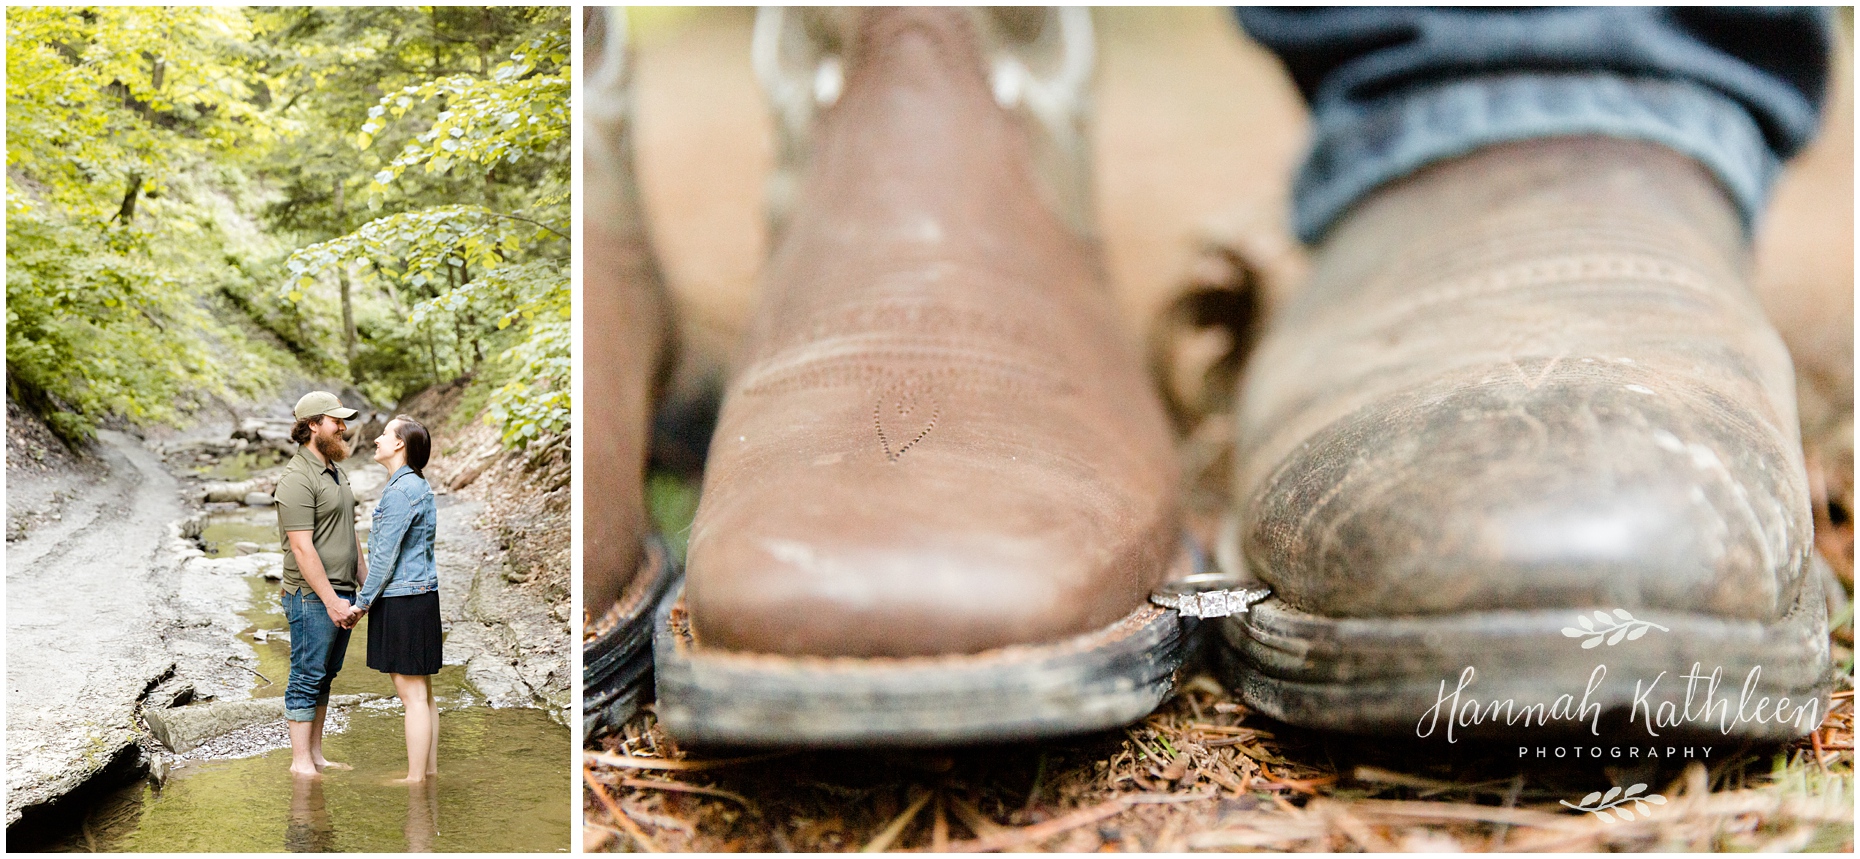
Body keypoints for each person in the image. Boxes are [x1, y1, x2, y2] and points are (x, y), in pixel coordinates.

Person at [275, 390, 366, 777]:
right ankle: (300, 764)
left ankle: (315, 755)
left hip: (342, 592)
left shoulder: (335, 470)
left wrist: (370, 587)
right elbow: (301, 547)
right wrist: (331, 601)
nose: (343, 428)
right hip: (312, 597)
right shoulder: (296, 478)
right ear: (313, 425)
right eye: (336, 421)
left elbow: (350, 535)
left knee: (325, 676)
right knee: (306, 675)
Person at [354, 415, 442, 783]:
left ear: (400, 444)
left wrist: (362, 603)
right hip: (421, 597)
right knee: (424, 693)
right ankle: (429, 773)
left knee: (413, 697)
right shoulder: (416, 486)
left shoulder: (400, 492)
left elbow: (384, 557)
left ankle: (415, 780)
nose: (377, 439)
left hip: (403, 600)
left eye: (385, 434)